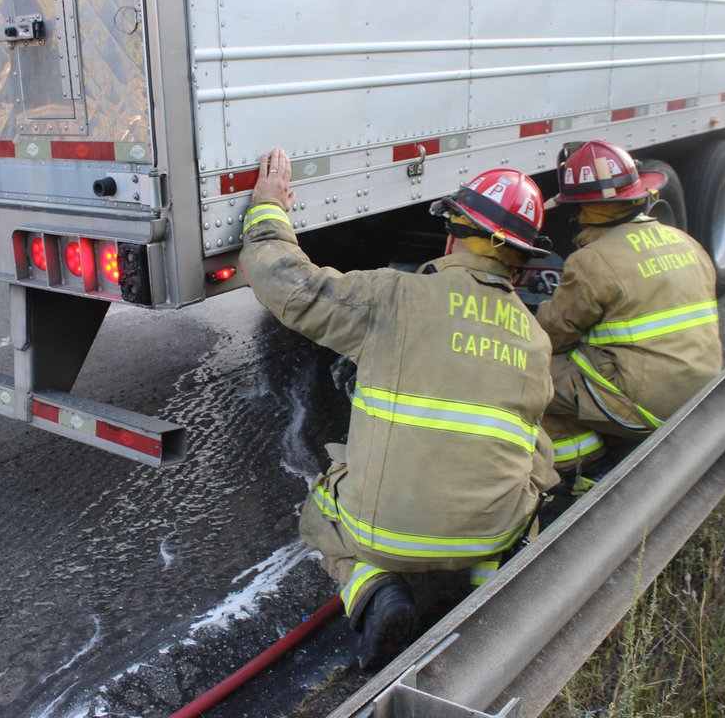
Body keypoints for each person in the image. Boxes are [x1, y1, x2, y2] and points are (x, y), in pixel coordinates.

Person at [239, 148, 559, 670]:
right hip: (495, 531)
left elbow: (285, 283)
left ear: (452, 233)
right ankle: (488, 586)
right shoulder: (535, 339)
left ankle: (374, 590)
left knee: (321, 510)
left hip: (383, 535)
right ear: (521, 261)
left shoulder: (392, 297)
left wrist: (269, 211)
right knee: (534, 452)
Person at [535, 139, 723, 491]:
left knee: (530, 372)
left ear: (579, 209)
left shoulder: (593, 260)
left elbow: (551, 335)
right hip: (703, 395)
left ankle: (583, 470)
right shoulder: (685, 241)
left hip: (646, 405)